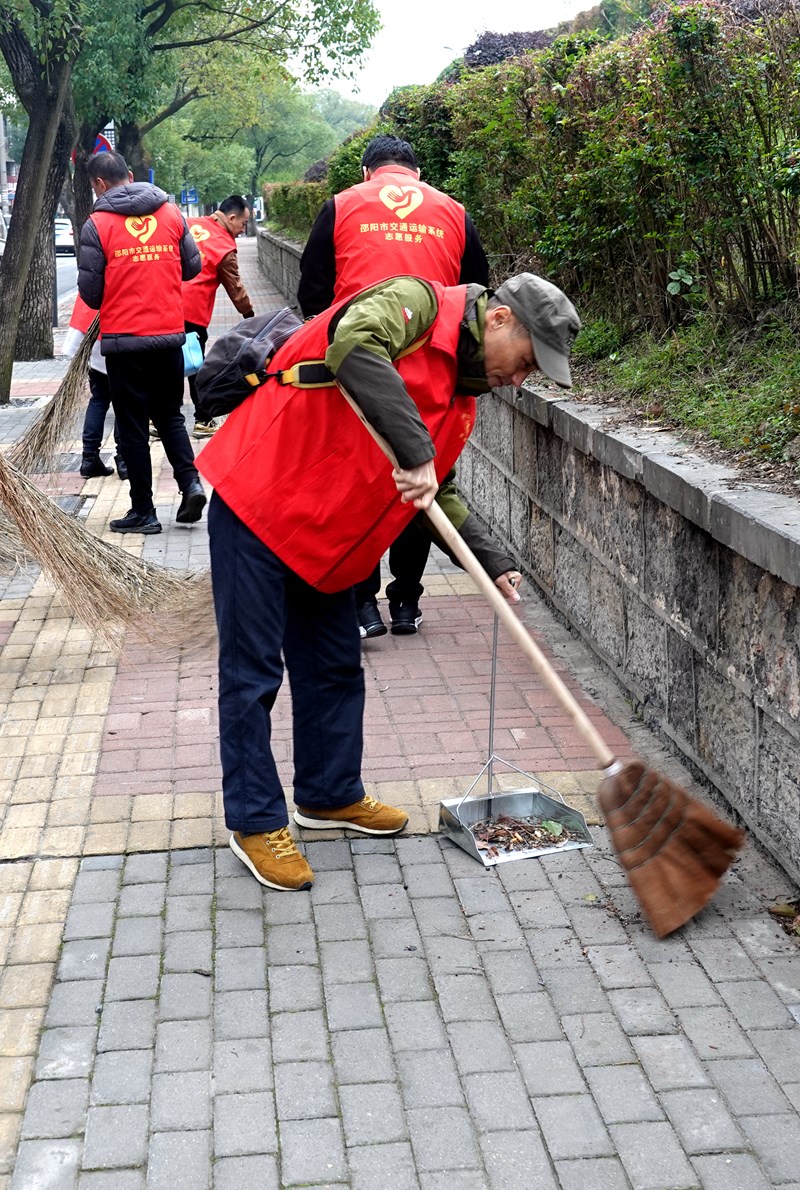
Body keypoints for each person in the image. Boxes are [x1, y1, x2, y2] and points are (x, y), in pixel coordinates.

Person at [196, 270, 580, 892]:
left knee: (335, 668)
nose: (520, 379)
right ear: (502, 320)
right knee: (252, 675)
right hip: (261, 503)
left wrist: (490, 559)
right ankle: (255, 823)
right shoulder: (417, 304)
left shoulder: (461, 400)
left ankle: (328, 795)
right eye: (528, 362)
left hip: (328, 538)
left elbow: (437, 493)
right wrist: (416, 451)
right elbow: (352, 342)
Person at [299, 135, 500, 637]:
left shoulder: (342, 205)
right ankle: (406, 602)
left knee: (360, 486)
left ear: (368, 172)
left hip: (361, 372)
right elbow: (477, 290)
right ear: (417, 172)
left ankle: (362, 607)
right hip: (434, 375)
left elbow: (312, 288)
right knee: (422, 479)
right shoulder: (454, 211)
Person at [77, 151, 206, 535]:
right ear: (130, 176)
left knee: (132, 426)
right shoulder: (170, 214)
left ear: (99, 184)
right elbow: (192, 267)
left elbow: (92, 294)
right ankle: (191, 484)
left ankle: (144, 512)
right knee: (170, 417)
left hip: (124, 342)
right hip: (168, 337)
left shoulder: (97, 224)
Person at [183, 195, 255, 439]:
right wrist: (250, 315)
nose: (243, 230)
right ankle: (203, 420)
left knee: (166, 363)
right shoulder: (224, 246)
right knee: (195, 367)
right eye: (243, 224)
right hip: (192, 312)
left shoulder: (189, 223)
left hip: (164, 305)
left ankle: (157, 419)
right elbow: (235, 289)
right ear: (232, 218)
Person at [62, 293, 127, 481]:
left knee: (99, 397)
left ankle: (89, 458)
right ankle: (124, 459)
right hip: (117, 328)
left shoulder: (92, 262)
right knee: (124, 401)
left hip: (90, 328)